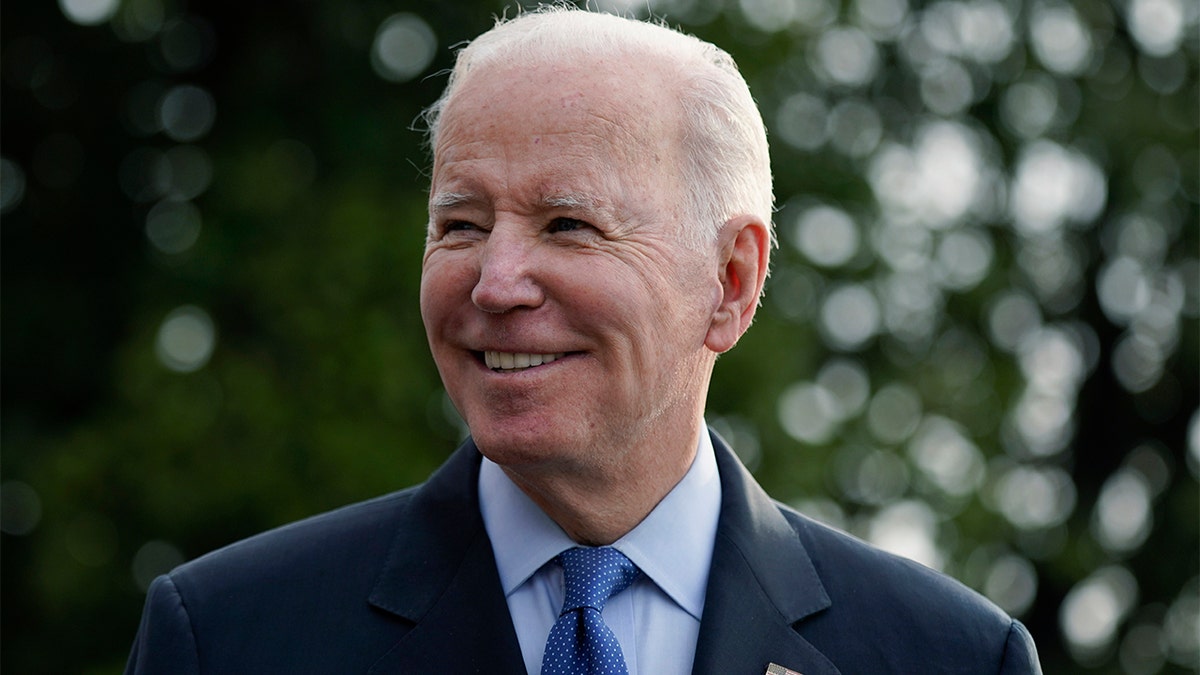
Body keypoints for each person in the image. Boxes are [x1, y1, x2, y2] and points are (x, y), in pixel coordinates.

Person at [125, 7, 1042, 674]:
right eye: (461, 224)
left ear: (729, 283)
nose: (495, 282)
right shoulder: (229, 636)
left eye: (568, 224)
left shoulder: (949, 655)